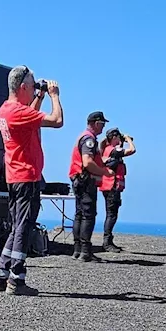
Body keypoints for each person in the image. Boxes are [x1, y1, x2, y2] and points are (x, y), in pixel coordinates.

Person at [0, 66, 63, 296]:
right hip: (27, 176)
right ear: (23, 87)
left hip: (14, 176)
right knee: (24, 227)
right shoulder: (18, 112)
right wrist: (54, 96)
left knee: (16, 225)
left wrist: (39, 97)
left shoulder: (6, 110)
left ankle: (1, 274)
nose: (34, 90)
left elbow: (29, 118)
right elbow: (57, 120)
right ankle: (16, 279)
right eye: (32, 87)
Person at [67, 111, 115, 262]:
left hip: (78, 178)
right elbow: (87, 162)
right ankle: (85, 251)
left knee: (79, 214)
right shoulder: (90, 139)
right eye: (102, 124)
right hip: (86, 180)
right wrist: (104, 172)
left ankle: (77, 249)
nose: (103, 127)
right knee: (88, 215)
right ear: (96, 123)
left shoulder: (82, 137)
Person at [98, 128, 136, 253]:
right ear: (113, 138)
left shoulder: (107, 149)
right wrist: (129, 140)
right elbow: (132, 150)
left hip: (108, 185)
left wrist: (122, 141)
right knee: (112, 214)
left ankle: (108, 240)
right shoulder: (113, 151)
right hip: (112, 186)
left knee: (110, 213)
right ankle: (107, 242)